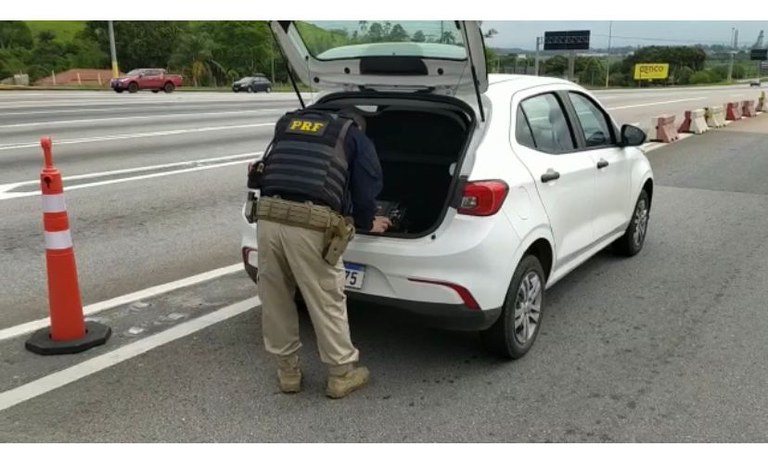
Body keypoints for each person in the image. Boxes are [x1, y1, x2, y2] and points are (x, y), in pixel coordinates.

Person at [251, 106, 391, 399]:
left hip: (267, 219)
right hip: (310, 225)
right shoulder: (353, 135)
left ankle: (288, 373)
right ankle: (342, 374)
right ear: (357, 124)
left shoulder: (288, 125)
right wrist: (367, 221)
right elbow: (366, 189)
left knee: (275, 298)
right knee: (326, 297)